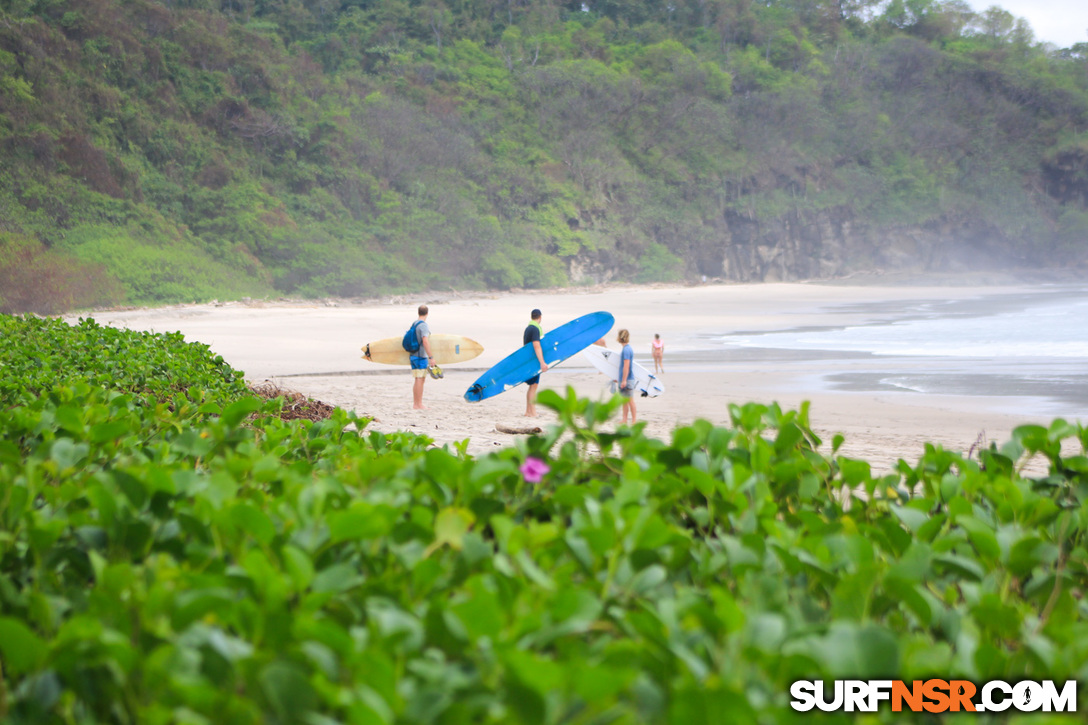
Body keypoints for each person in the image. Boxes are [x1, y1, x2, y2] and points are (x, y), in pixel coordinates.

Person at [523, 308, 548, 417]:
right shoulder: (535, 329)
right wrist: (542, 362)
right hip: (533, 361)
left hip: (529, 361)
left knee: (532, 386)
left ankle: (528, 411)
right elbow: (536, 345)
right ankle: (532, 412)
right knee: (534, 386)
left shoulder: (529, 328)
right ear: (540, 317)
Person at [409, 304, 435, 409]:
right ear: (427, 313)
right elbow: (425, 341)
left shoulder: (414, 324)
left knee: (417, 379)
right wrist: (431, 357)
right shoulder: (423, 325)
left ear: (418, 312)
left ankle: (416, 403)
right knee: (420, 379)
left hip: (413, 355)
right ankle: (418, 404)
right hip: (420, 356)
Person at [616, 328, 637, 424]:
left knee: (630, 400)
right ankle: (624, 419)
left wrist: (624, 380)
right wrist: (619, 379)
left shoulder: (626, 350)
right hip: (624, 379)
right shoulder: (626, 349)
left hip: (627, 380)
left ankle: (633, 421)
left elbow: (626, 366)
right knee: (624, 400)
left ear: (620, 337)